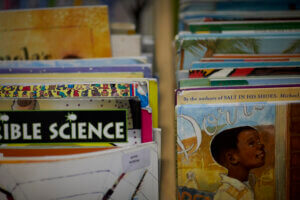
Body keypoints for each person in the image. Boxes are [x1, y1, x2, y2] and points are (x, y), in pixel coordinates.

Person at [210, 126, 265, 200]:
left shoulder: (248, 183)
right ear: (232, 158)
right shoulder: (226, 194)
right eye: (251, 143)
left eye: (258, 142)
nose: (261, 145)